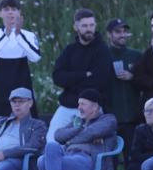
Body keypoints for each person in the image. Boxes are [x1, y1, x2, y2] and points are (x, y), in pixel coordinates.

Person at [38, 88, 118, 170]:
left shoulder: (108, 119)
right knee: (45, 155)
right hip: (70, 158)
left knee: (45, 158)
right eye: (79, 104)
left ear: (95, 106)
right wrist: (78, 128)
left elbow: (91, 133)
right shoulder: (78, 121)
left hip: (87, 161)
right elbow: (58, 135)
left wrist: (71, 139)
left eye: (83, 104)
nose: (79, 107)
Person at [48, 9, 112, 142]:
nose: (89, 29)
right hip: (67, 105)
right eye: (84, 25)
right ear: (76, 27)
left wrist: (70, 81)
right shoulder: (70, 50)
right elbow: (57, 77)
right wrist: (83, 74)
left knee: (81, 144)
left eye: (91, 25)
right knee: (51, 141)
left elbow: (99, 81)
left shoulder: (102, 50)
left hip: (91, 107)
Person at [0, 0, 41, 122]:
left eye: (14, 9)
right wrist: (6, 35)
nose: (10, 12)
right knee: (0, 136)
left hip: (25, 95)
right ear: (0, 13)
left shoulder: (29, 36)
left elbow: (35, 57)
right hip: (0, 95)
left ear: (19, 12)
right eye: (6, 9)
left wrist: (18, 34)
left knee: (28, 134)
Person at [107, 18, 143, 170]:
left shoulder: (136, 55)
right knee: (109, 161)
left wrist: (133, 77)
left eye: (124, 31)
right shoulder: (103, 55)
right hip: (110, 118)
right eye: (117, 31)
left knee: (132, 160)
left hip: (132, 118)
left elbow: (148, 81)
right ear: (109, 34)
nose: (122, 35)